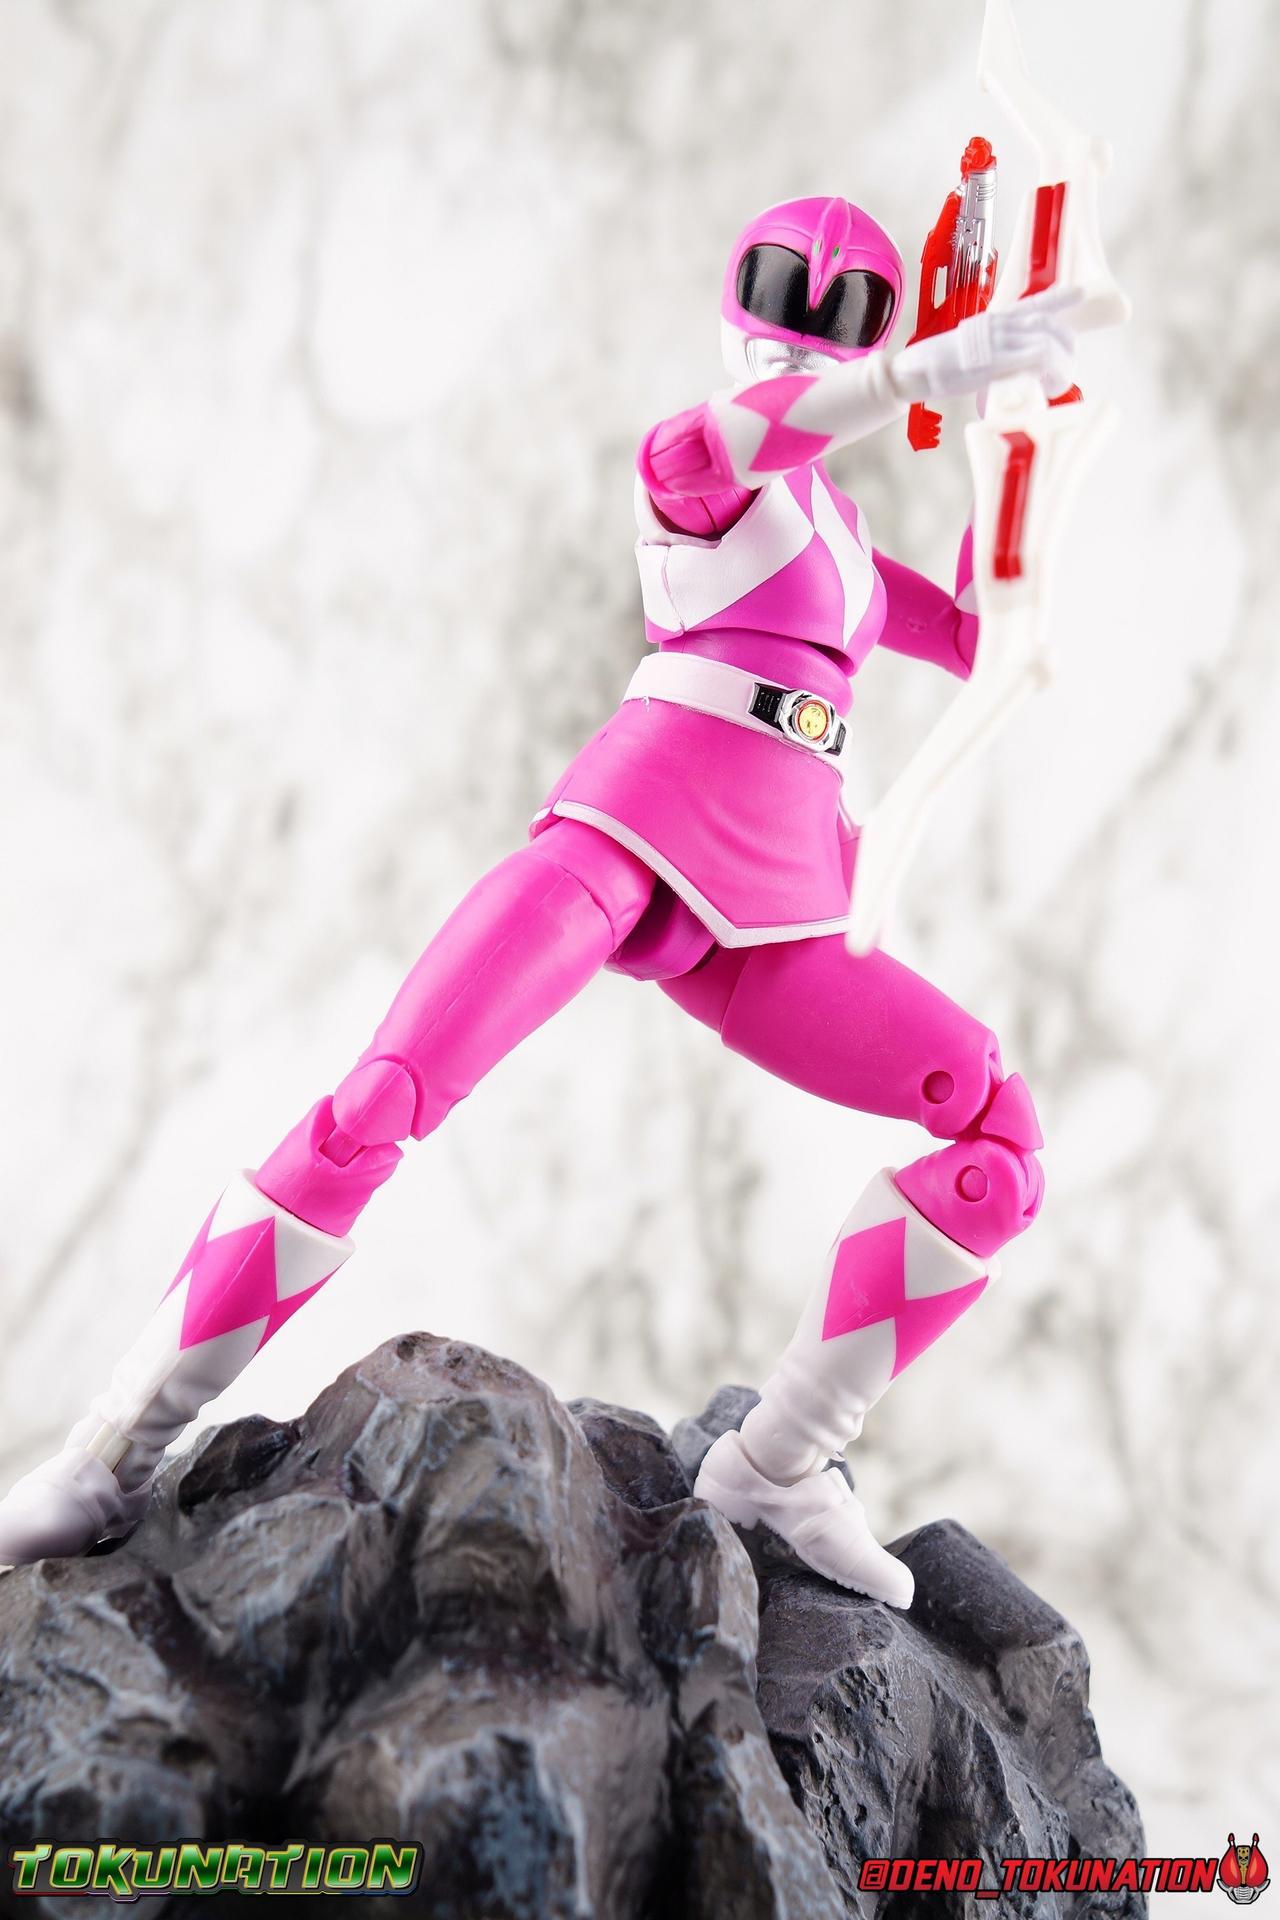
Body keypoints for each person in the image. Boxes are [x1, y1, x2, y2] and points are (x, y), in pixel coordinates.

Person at [0, 194, 1076, 1606]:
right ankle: (106, 1454)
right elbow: (765, 429)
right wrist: (928, 369)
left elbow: (986, 630)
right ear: (733, 301)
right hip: (632, 832)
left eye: (844, 307)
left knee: (999, 1139)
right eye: (775, 286)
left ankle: (779, 1463)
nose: (800, 323)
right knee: (378, 1103)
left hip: (778, 899)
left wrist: (1022, 466)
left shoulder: (845, 543)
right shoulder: (698, 461)